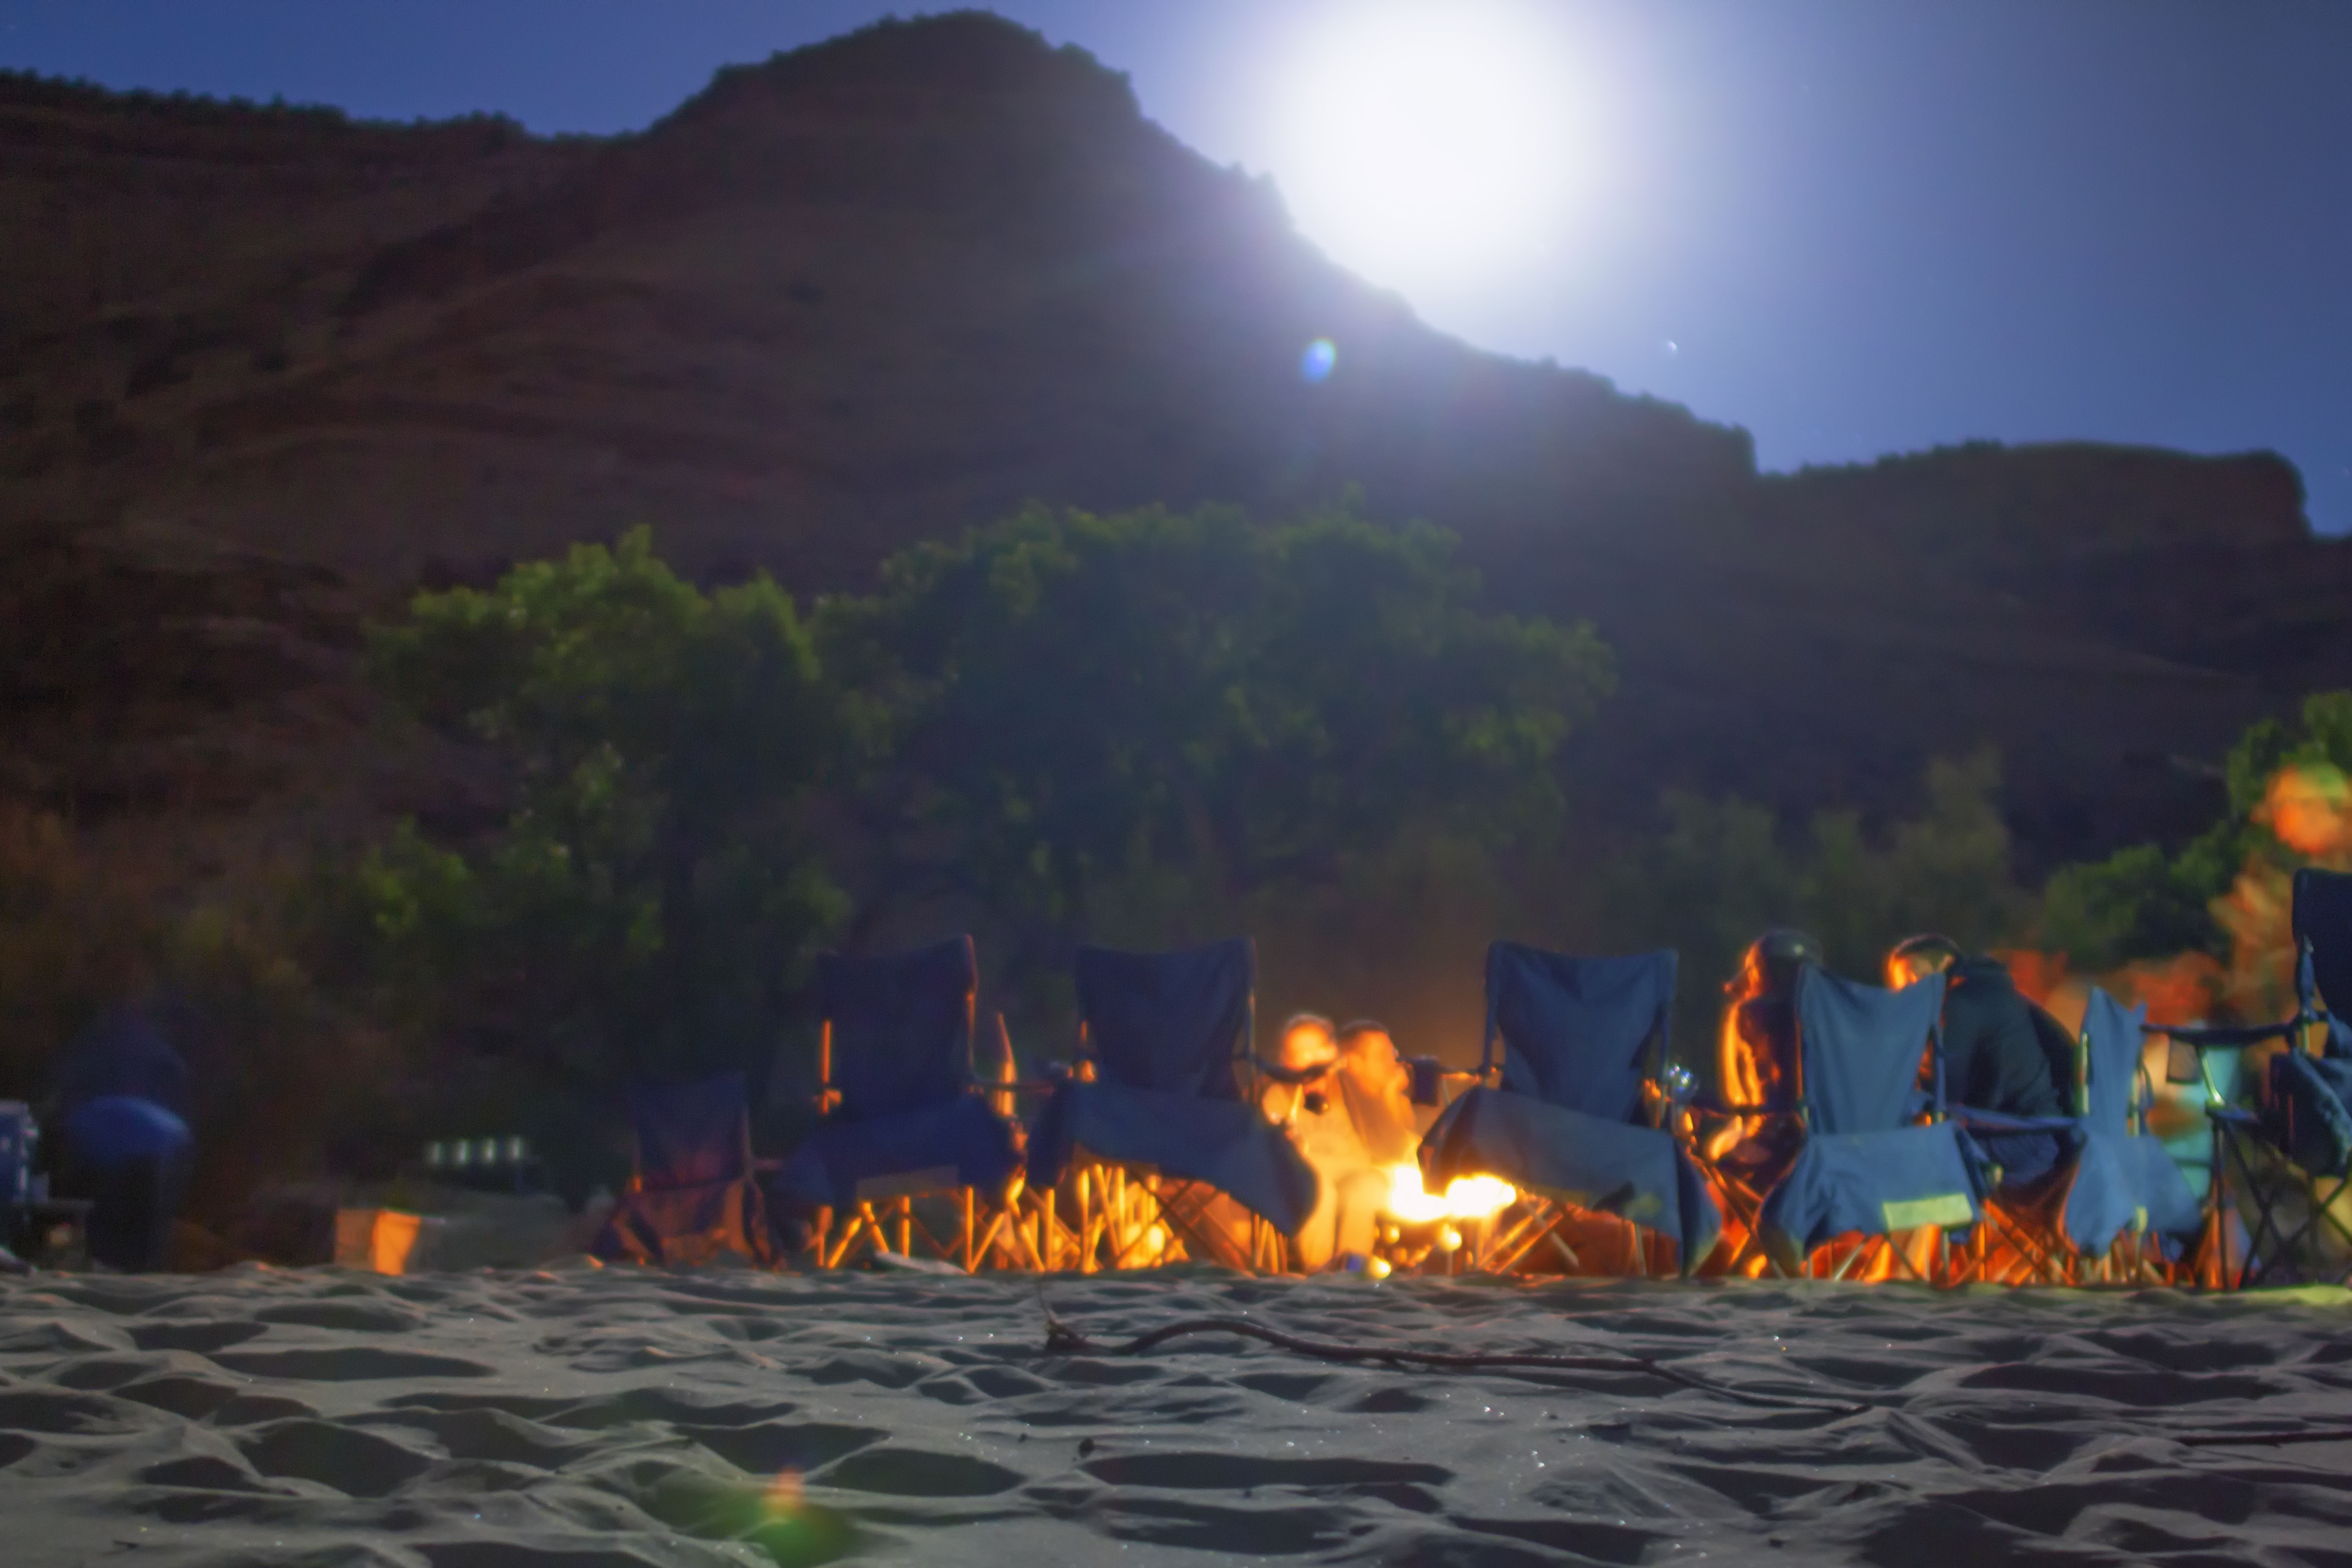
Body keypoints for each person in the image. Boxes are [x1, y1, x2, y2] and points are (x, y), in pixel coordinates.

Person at [1885, 934, 2069, 1188]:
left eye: (1912, 979)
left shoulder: (1965, 1001)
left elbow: (1944, 1092)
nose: (1908, 992)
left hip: (2029, 1141)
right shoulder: (1985, 989)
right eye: (1900, 986)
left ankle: (1950, 1228)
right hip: (2034, 1132)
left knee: (1930, 1159)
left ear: (1945, 964)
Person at [45, 1004, 195, 1272]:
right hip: (167, 1135)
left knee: (96, 1204)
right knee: (151, 1214)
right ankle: (142, 1264)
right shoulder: (160, 1054)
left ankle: (96, 1256)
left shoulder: (88, 1067)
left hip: (116, 1134)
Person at [1707, 929, 1820, 1179]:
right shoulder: (1832, 1012)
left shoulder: (1750, 1014)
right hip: (1835, 1137)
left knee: (1719, 1146)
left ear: (1757, 974)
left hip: (1775, 1137)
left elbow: (1738, 1097)